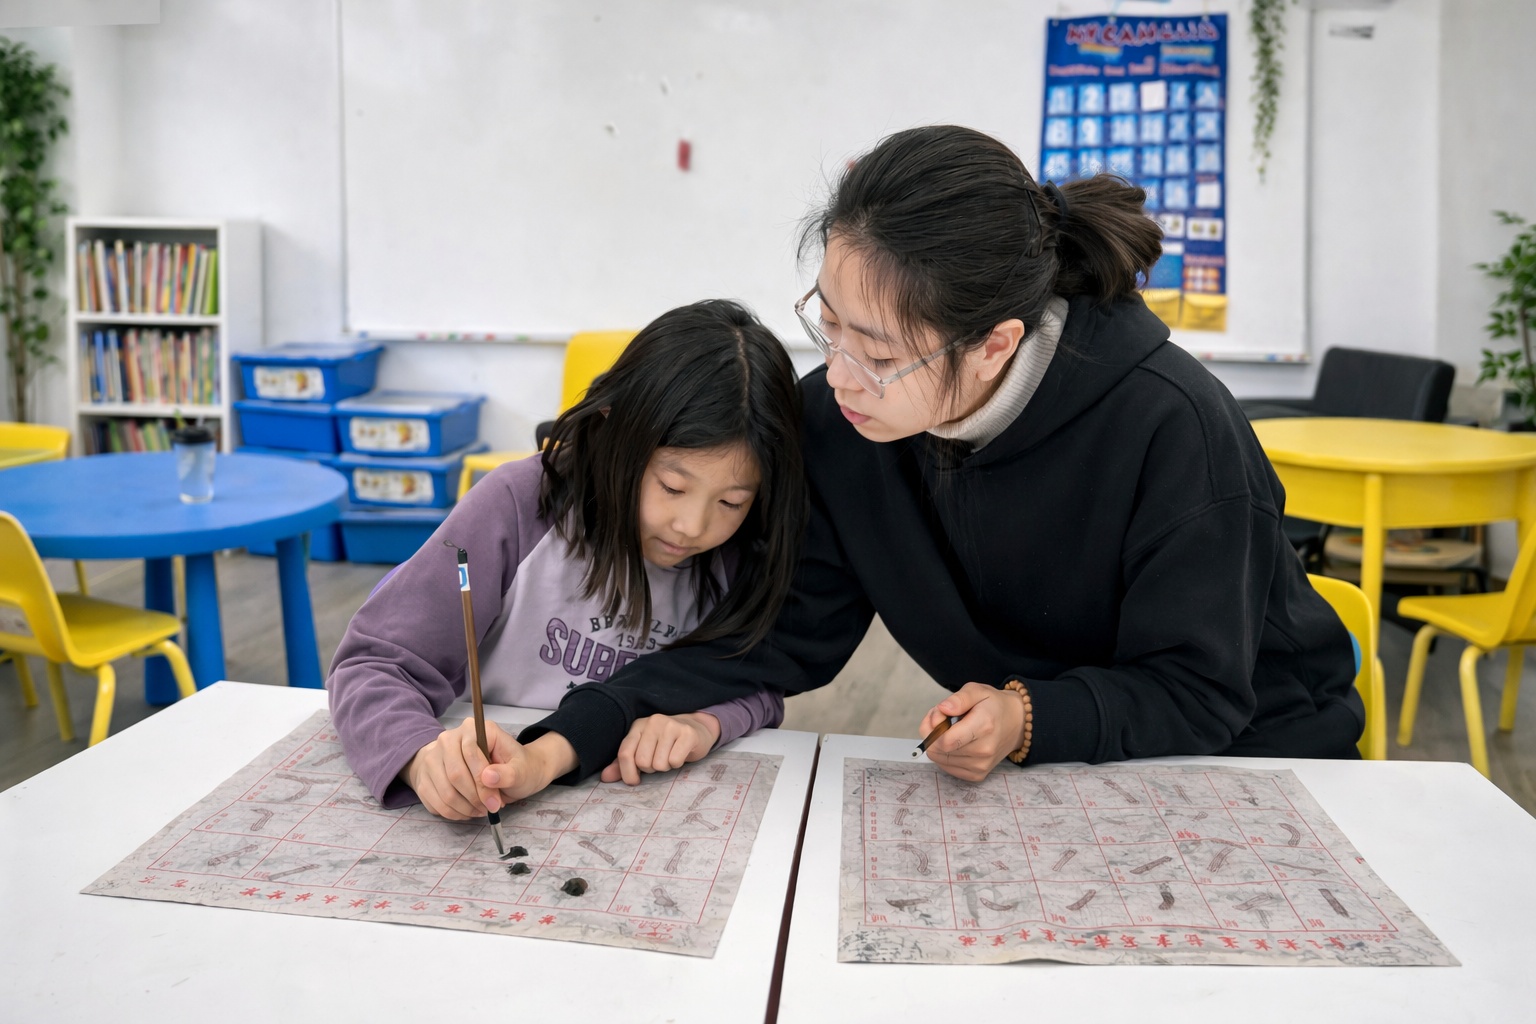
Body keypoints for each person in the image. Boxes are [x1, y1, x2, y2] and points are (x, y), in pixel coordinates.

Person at [516, 124, 1362, 787]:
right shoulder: (845, 421)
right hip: (1043, 772)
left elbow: (1199, 689)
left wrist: (1030, 718)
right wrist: (571, 735)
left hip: (1253, 763)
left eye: (879, 356)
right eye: (830, 323)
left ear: (995, 345)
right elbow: (783, 637)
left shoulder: (1173, 427)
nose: (838, 377)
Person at [327, 299, 806, 818]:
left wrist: (706, 722)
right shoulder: (518, 504)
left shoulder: (740, 547)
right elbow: (373, 664)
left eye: (732, 501)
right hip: (493, 795)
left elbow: (759, 684)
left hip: (638, 811)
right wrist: (419, 757)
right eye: (672, 486)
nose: (692, 526)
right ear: (612, 430)